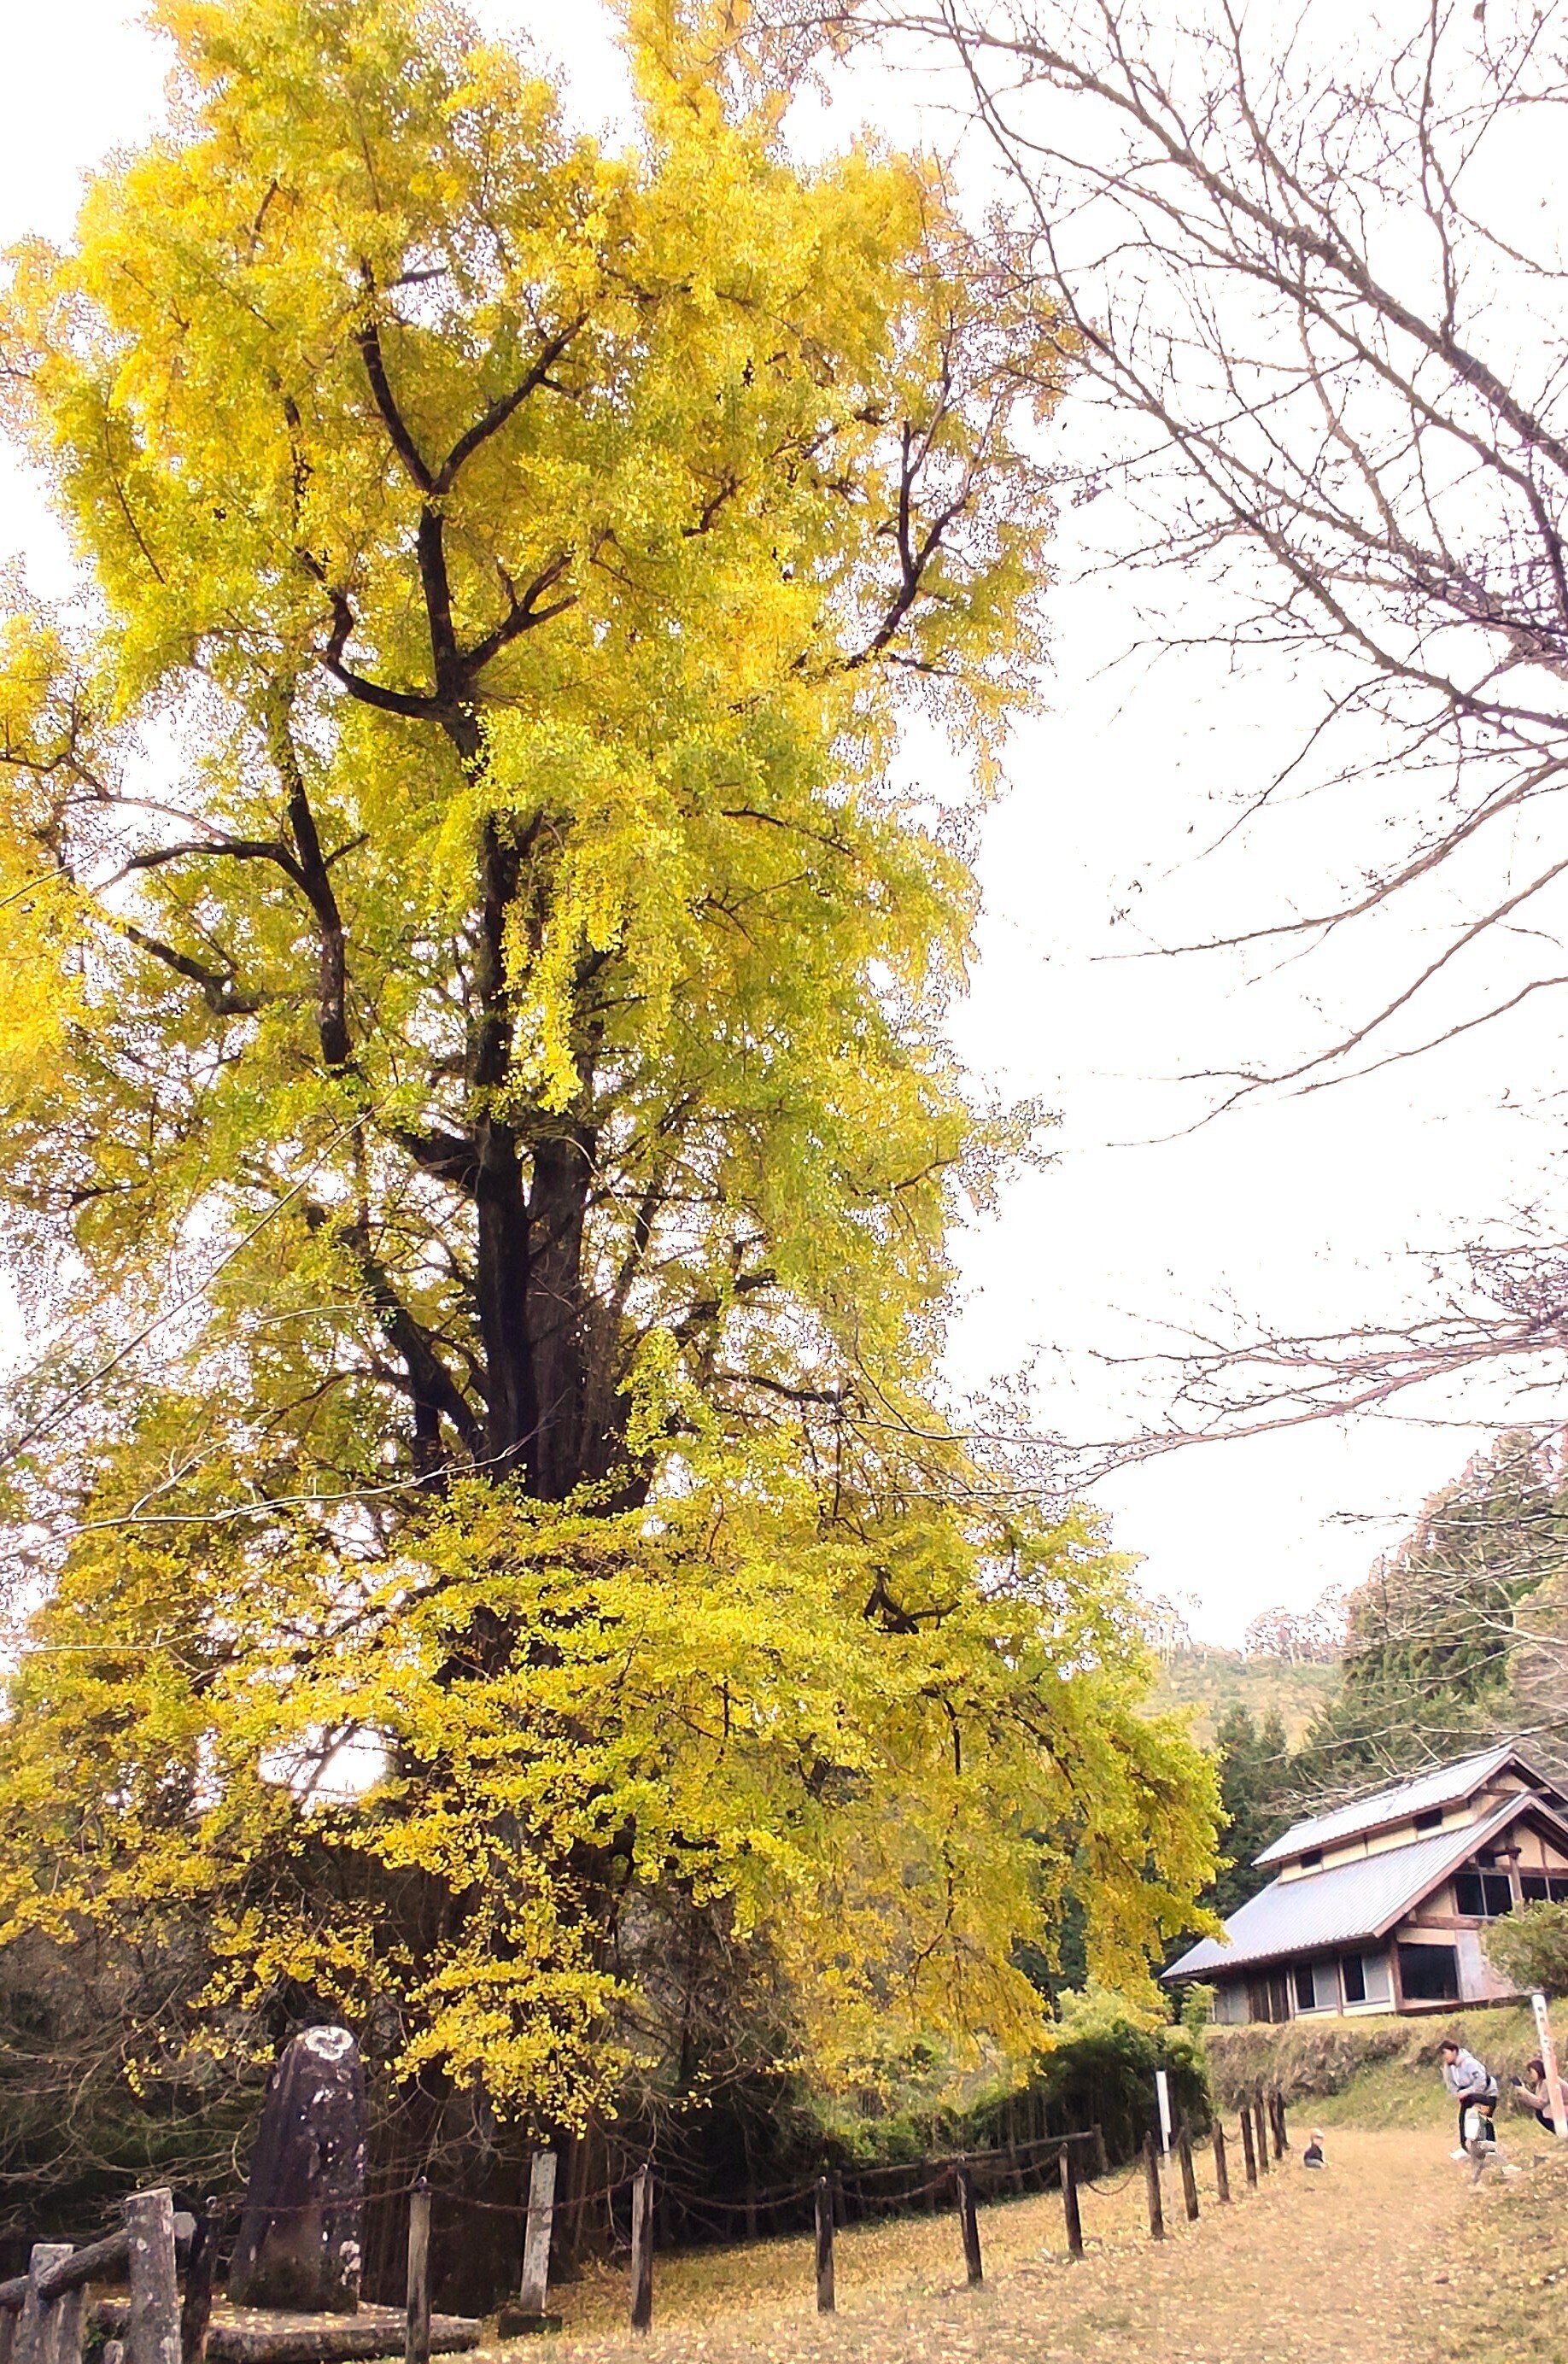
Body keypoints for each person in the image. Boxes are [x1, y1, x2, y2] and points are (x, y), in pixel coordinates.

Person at [1440, 2037, 1498, 2159]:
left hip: (1486, 2094)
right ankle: (1465, 2147)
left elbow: (1481, 2082)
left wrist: (1467, 2092)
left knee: (1484, 2119)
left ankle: (1490, 2150)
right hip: (1468, 2097)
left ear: (1454, 2051)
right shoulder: (1448, 2068)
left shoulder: (1470, 2063)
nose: (1444, 2057)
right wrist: (1459, 2094)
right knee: (1463, 2119)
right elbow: (1451, 2085)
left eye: (1445, 2053)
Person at [1511, 2057, 1561, 2134]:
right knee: (1540, 2112)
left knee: (1541, 2113)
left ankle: (1560, 2133)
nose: (1530, 2075)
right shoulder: (1540, 2084)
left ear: (1538, 2070)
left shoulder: (1546, 2082)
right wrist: (1522, 2095)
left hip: (1563, 2111)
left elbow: (1540, 2103)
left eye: (1531, 2072)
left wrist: (1524, 2091)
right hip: (1561, 2110)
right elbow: (1536, 2103)